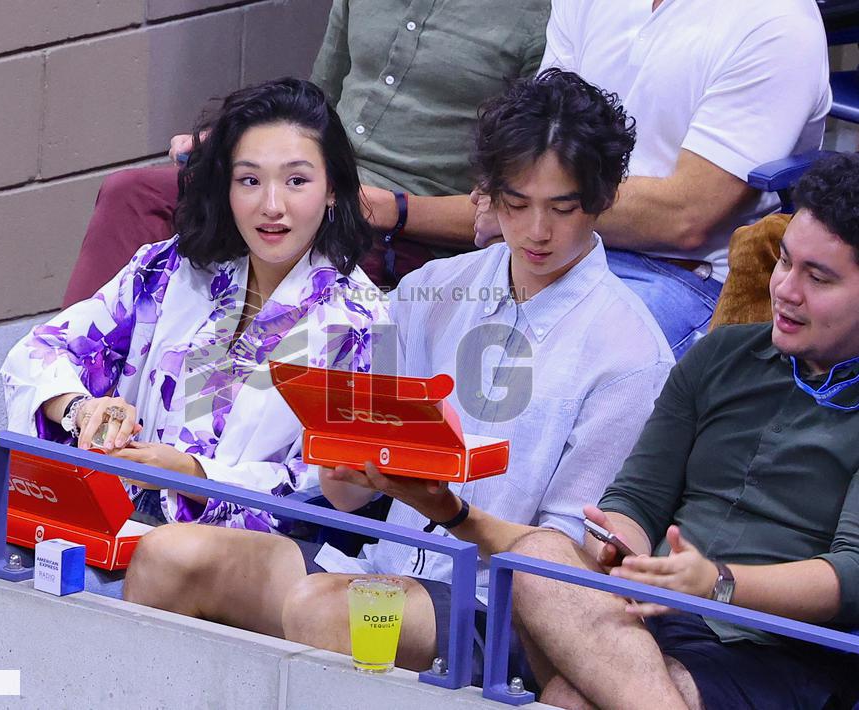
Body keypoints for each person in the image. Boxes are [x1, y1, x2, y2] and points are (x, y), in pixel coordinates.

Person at [121, 69, 674, 679]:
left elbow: (569, 569)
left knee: (334, 612)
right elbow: (347, 496)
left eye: (562, 208)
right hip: (380, 566)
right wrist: (346, 465)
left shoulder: (629, 355)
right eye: (516, 205)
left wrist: (450, 511)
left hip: (503, 609)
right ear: (487, 194)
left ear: (602, 198)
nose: (536, 231)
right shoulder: (432, 290)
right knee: (168, 554)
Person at [509, 153, 859, 709]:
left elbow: (851, 576)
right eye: (785, 263)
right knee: (541, 555)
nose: (786, 290)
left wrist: (717, 582)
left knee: (570, 699)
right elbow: (637, 498)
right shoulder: (722, 355)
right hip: (659, 614)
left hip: (784, 649)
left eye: (817, 278)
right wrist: (621, 544)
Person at [0, 78, 390, 532]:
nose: (271, 205)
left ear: (333, 191)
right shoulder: (168, 268)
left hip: (234, 559)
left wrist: (196, 477)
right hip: (112, 517)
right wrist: (82, 409)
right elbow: (35, 352)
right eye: (249, 180)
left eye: (297, 181)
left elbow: (321, 488)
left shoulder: (364, 322)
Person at [61, 0, 551, 304]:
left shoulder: (540, 17)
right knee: (135, 194)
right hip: (311, 179)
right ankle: (68, 404)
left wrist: (394, 209)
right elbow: (314, 105)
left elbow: (508, 214)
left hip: (397, 230)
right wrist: (240, 139)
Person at [474, 0, 831, 358]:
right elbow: (536, 148)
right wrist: (518, 206)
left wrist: (519, 204)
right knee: (445, 317)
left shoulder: (779, 22)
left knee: (551, 361)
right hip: (560, 245)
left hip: (682, 275)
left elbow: (685, 218)